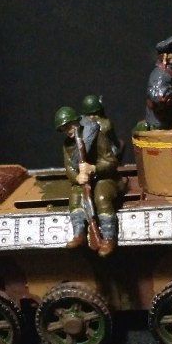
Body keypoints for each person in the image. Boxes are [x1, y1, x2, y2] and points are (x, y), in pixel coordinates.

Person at [54, 106, 120, 257]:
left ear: (76, 122)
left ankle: (109, 238)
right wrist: (77, 177)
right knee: (75, 197)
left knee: (101, 197)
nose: (67, 131)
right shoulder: (68, 145)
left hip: (105, 178)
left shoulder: (97, 136)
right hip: (84, 180)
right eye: (64, 129)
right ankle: (79, 234)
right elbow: (69, 167)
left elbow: (111, 161)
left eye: (69, 126)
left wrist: (94, 168)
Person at [144, 34, 172, 129]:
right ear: (164, 56)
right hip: (160, 124)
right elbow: (156, 99)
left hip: (169, 118)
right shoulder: (161, 75)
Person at [80, 94, 124, 161]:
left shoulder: (81, 122)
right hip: (103, 155)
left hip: (87, 153)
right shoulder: (106, 123)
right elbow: (115, 142)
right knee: (121, 144)